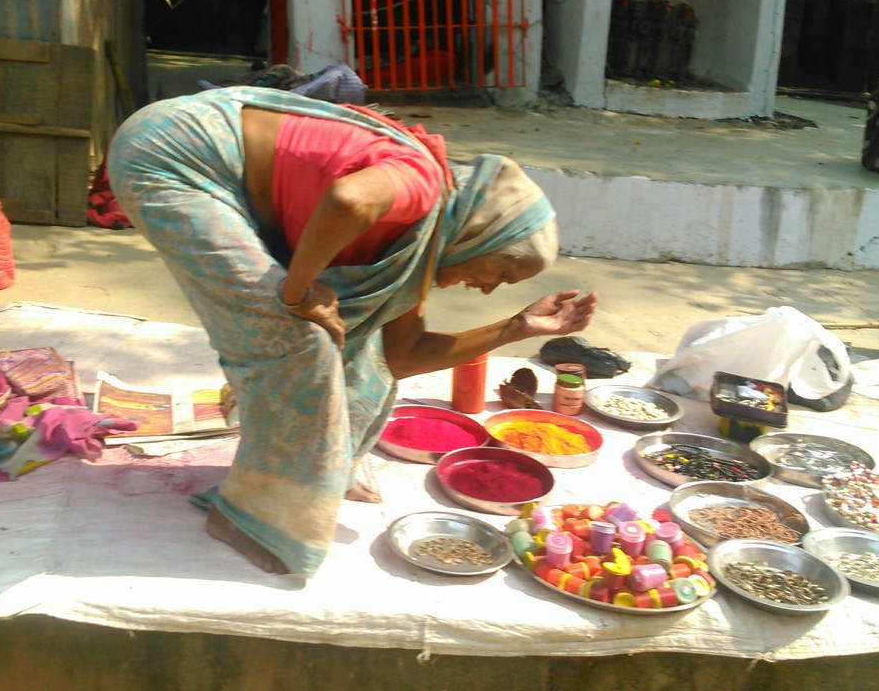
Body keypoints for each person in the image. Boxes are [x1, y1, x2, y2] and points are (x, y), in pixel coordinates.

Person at [107, 86, 597, 578]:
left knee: (354, 342)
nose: (488, 289)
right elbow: (348, 198)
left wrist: (517, 328)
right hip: (170, 156)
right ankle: (255, 516)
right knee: (293, 334)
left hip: (208, 168)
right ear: (481, 234)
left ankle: (318, 473)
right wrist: (298, 291)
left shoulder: (421, 244)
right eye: (502, 273)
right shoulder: (424, 184)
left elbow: (400, 356)